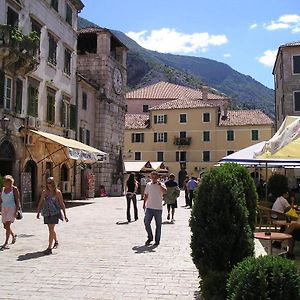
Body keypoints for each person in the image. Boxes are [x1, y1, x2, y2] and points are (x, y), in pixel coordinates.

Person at [36, 177, 68, 255]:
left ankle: (49, 248)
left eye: (50, 182)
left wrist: (65, 215)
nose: (49, 184)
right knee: (51, 229)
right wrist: (38, 212)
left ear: (53, 183)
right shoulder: (44, 192)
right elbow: (40, 202)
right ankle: (56, 241)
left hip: (54, 213)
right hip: (46, 212)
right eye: (47, 183)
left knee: (51, 229)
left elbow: (62, 204)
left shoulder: (58, 192)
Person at [143, 171, 167, 246]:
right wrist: (144, 204)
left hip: (158, 208)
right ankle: (150, 237)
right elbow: (146, 194)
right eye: (152, 177)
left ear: (157, 178)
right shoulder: (148, 185)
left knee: (158, 225)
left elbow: (165, 191)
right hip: (149, 207)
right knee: (146, 222)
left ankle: (157, 240)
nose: (153, 179)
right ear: (150, 177)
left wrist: (160, 185)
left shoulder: (161, 184)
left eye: (155, 177)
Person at [0, 175, 20, 249]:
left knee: (8, 225)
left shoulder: (14, 189)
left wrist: (16, 211)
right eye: (4, 181)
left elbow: (17, 201)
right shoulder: (3, 189)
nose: (5, 183)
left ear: (10, 182)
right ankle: (13, 235)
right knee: (5, 226)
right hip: (4, 208)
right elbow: (1, 200)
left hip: (11, 208)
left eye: (6, 181)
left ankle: (6, 243)